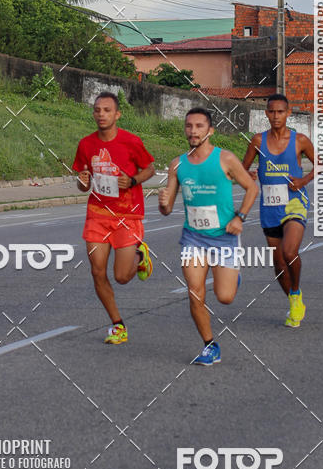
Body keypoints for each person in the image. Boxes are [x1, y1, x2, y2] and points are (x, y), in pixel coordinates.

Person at [158, 107, 258, 365]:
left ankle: (234, 277)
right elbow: (167, 210)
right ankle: (209, 345)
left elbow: (251, 188)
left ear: (210, 130)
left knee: (225, 297)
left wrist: (241, 217)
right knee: (195, 292)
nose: (193, 131)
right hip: (193, 238)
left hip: (224, 236)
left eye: (199, 126)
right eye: (189, 126)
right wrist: (163, 202)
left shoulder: (225, 159)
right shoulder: (177, 164)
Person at [73, 91, 155, 344]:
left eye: (107, 110)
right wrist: (82, 181)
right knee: (97, 272)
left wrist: (132, 180)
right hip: (97, 215)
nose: (101, 114)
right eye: (97, 110)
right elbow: (81, 183)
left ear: (117, 114)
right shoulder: (86, 145)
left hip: (127, 215)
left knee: (121, 276)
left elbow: (149, 169)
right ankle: (118, 325)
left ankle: (141, 256)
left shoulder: (131, 142)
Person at [242, 94, 314, 328]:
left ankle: (294, 292)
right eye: (272, 112)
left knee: (290, 251)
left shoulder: (300, 140)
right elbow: (241, 169)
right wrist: (248, 175)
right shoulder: (258, 141)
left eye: (280, 112)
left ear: (288, 113)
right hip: (269, 207)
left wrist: (304, 181)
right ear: (266, 114)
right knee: (278, 263)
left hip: (295, 202)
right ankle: (295, 300)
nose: (276, 116)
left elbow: (322, 164)